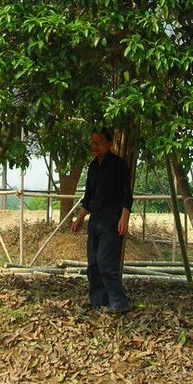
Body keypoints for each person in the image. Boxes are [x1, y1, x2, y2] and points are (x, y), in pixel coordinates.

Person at [70, 128, 133, 314]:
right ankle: (98, 301)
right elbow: (89, 197)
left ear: (110, 144)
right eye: (93, 142)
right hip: (95, 223)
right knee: (93, 264)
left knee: (106, 263)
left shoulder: (119, 165)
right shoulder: (92, 167)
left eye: (99, 142)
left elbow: (126, 195)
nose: (95, 146)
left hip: (112, 223)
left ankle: (119, 302)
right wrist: (80, 218)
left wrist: (124, 218)